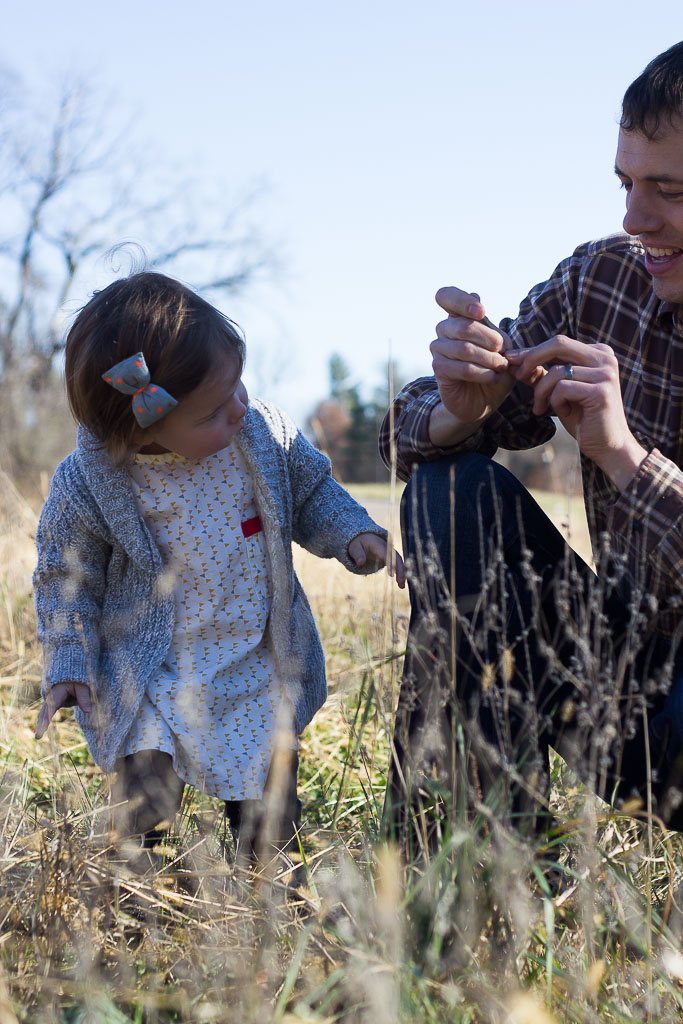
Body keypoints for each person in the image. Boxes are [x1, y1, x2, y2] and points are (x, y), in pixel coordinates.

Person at [380, 42, 683, 845]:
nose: (635, 218)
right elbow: (406, 434)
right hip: (610, 678)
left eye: (669, 189)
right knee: (454, 493)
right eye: (626, 184)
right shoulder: (603, 281)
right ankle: (474, 858)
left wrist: (623, 456)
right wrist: (460, 409)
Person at [33, 271, 405, 864]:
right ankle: (133, 899)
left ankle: (274, 896)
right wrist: (69, 659)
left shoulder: (259, 434)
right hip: (151, 669)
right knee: (141, 798)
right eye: (212, 410)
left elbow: (309, 489)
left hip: (249, 656)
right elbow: (66, 577)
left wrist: (353, 532)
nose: (238, 409)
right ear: (139, 427)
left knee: (269, 803)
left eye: (239, 387)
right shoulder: (91, 482)